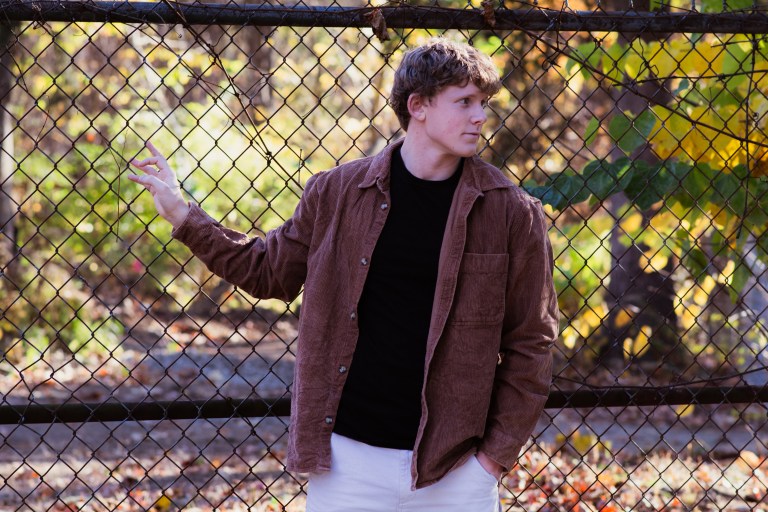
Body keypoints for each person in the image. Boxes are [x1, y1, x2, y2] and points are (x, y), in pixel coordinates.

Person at [129, 38, 558, 512]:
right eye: (465, 102)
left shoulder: (510, 212)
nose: (480, 116)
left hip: (455, 470)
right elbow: (267, 271)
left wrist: (491, 462)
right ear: (417, 106)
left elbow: (532, 341)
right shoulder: (337, 193)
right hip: (347, 463)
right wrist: (185, 216)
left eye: (483, 103)